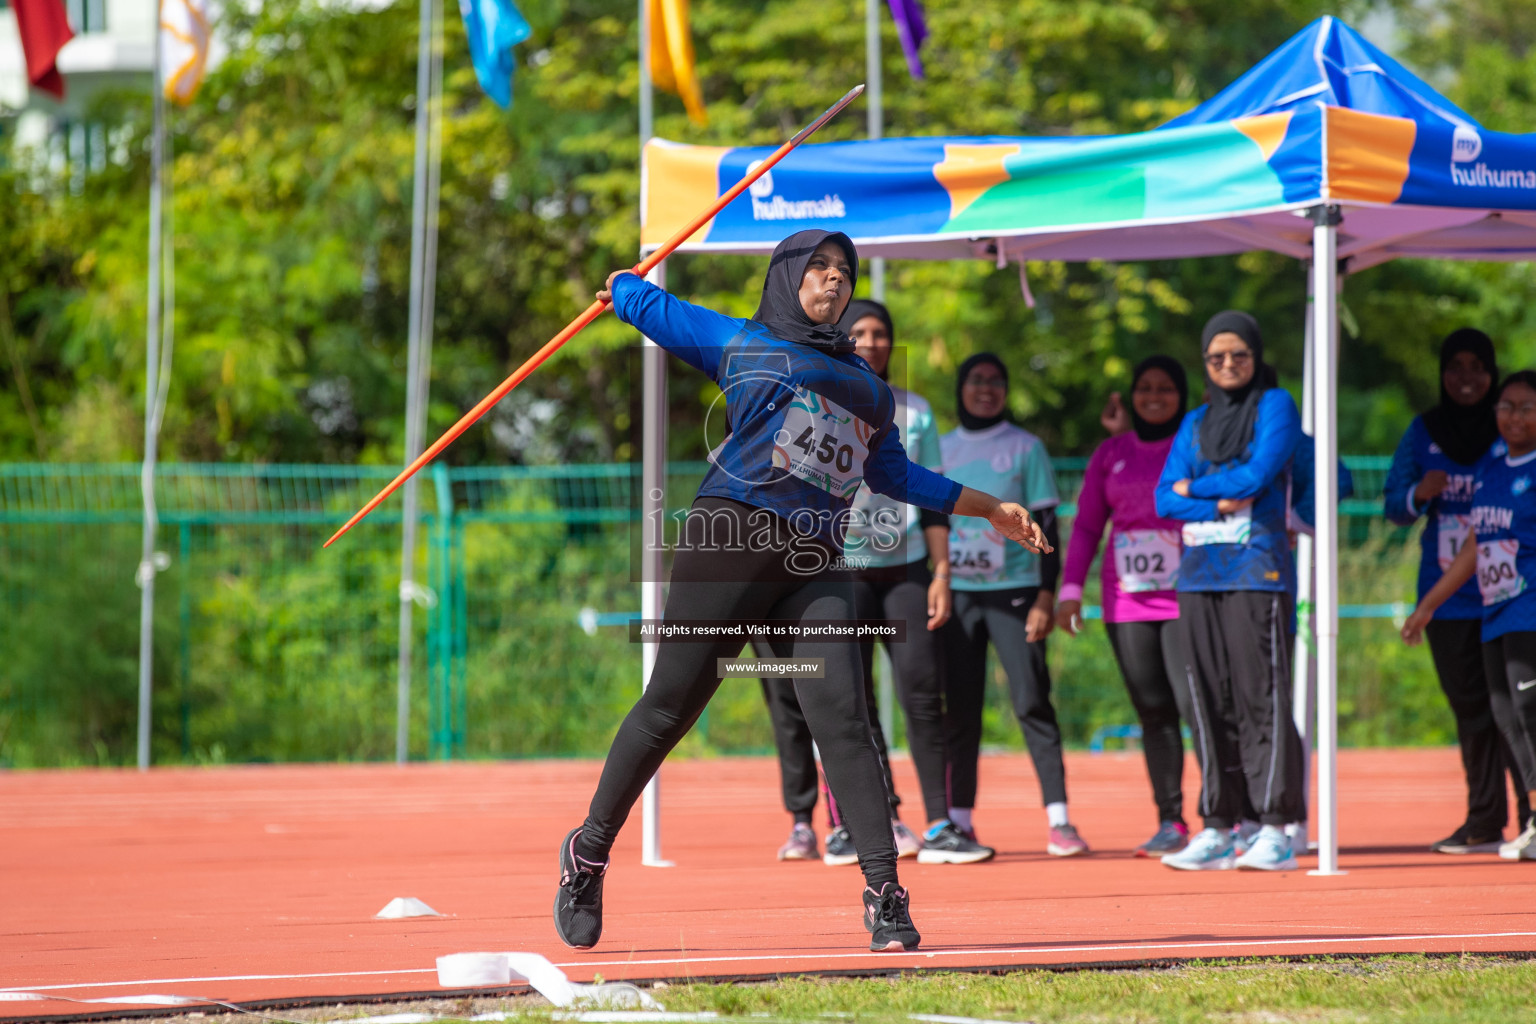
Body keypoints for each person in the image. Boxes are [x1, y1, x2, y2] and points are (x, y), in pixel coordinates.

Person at [555, 229, 1053, 954]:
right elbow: (641, 301)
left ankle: (885, 895)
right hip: (732, 540)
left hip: (815, 560)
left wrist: (991, 508)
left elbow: (897, 478)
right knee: (670, 707)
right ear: (787, 275)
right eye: (818, 267)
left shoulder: (871, 391)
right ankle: (588, 852)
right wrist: (626, 283)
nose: (834, 280)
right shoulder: (743, 343)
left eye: (844, 272)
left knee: (844, 720)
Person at [763, 300, 957, 867]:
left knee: (922, 693)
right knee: (854, 702)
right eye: (860, 332)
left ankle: (943, 822)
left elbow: (936, 498)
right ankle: (874, 819)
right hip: (839, 567)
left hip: (906, 569)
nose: (871, 341)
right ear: (841, 339)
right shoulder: (815, 399)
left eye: (880, 334)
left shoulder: (914, 411)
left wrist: (942, 573)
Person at [1154, 311, 1303, 872]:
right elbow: (1166, 498)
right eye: (1217, 357)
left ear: (1255, 356)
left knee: (1261, 698)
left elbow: (1258, 476)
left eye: (1239, 354)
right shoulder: (1194, 422)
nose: (1228, 365)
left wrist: (1199, 486)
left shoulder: (1276, 406)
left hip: (1257, 572)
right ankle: (1221, 823)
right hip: (1198, 576)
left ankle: (1275, 825)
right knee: (1207, 701)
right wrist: (1215, 499)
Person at [1385, 329, 1531, 853]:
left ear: (1491, 374)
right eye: (1455, 367)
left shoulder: (1509, 442)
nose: (1466, 377)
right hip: (1449, 593)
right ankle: (1484, 818)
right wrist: (1416, 494)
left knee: (1517, 709)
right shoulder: (1423, 431)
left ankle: (1529, 815)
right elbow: (1393, 507)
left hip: (1509, 599)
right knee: (1475, 709)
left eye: (1477, 367)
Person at [941, 353, 1089, 857]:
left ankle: (1060, 821)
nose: (986, 389)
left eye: (996, 382)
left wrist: (1047, 594)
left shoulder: (1026, 447)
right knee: (959, 708)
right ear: (961, 387)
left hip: (1017, 591)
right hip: (958, 594)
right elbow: (932, 522)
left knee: (1031, 700)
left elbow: (1048, 521)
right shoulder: (940, 448)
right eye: (976, 380)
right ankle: (958, 821)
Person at [1057, 356, 1193, 857]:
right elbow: (1089, 526)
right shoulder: (1111, 452)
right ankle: (1171, 821)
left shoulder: (1194, 447)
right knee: (1153, 711)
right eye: (1145, 388)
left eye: (1165, 388)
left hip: (1186, 600)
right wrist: (1070, 590)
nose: (1154, 396)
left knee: (1195, 706)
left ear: (1182, 395)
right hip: (1126, 602)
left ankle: (1230, 817)